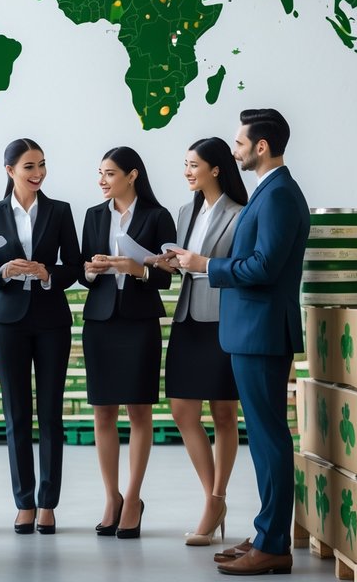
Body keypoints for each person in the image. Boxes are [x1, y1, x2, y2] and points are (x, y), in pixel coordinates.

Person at [170, 109, 308, 577]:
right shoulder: (269, 193)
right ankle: (269, 532)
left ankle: (273, 544)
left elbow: (264, 267)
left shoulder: (280, 196)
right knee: (265, 438)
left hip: (262, 331)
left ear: (261, 146)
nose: (234, 151)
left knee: (270, 439)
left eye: (240, 142)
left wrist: (205, 265)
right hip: (252, 331)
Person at [0, 139, 81, 535]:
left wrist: (47, 273)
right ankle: (24, 503)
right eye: (29, 167)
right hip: (8, 322)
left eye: (42, 166)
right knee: (16, 413)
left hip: (52, 320)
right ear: (10, 170)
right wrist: (4, 272)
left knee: (50, 414)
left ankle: (48, 502)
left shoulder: (60, 211)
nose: (38, 174)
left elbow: (76, 267)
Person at [80, 146, 176, 540]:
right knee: (103, 413)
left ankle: (133, 498)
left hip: (139, 323)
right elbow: (82, 269)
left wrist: (138, 269)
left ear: (132, 175)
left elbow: (169, 276)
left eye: (109, 174)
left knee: (139, 413)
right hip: (100, 321)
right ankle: (111, 498)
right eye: (100, 174)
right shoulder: (93, 216)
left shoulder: (158, 217)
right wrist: (90, 270)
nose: (102, 181)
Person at [158, 137, 247, 547]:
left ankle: (215, 500)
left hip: (222, 318)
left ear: (215, 169)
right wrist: (168, 263)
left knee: (224, 414)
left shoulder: (240, 213)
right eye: (185, 164)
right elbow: (184, 268)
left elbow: (239, 267)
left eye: (194, 165)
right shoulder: (183, 212)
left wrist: (200, 264)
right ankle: (214, 497)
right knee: (182, 410)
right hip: (187, 317)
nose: (188, 172)